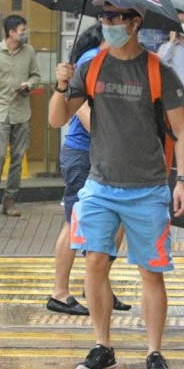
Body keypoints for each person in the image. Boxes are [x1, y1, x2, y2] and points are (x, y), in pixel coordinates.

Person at [49, 0, 184, 369]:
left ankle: (154, 354)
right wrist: (61, 85)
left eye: (115, 17)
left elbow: (181, 131)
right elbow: (57, 118)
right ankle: (102, 346)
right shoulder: (91, 66)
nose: (107, 22)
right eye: (104, 16)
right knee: (94, 262)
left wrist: (182, 181)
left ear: (135, 23)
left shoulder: (157, 71)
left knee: (151, 273)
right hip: (99, 186)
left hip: (147, 189)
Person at [49, 24, 129, 316]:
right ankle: (59, 292)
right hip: (84, 154)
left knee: (116, 221)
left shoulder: (118, 61)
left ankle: (97, 285)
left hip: (108, 155)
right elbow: (80, 107)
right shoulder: (92, 58)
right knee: (75, 220)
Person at [0, 14, 40, 218]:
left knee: (17, 159)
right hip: (0, 112)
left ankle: (10, 201)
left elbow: (36, 76)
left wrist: (28, 85)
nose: (25, 34)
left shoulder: (29, 51)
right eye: (22, 31)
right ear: (11, 32)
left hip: (22, 113)